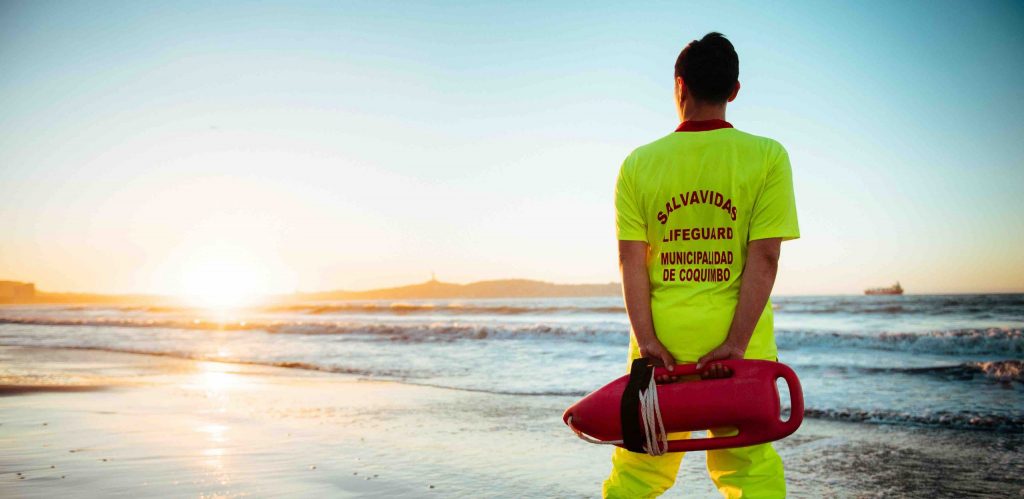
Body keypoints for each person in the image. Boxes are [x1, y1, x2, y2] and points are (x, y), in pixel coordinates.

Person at [604, 32, 800, 498]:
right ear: (734, 91)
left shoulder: (638, 163)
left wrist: (648, 343)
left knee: (641, 466)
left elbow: (631, 259)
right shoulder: (768, 156)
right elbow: (765, 257)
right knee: (747, 467)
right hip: (738, 345)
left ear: (679, 86)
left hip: (661, 346)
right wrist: (735, 343)